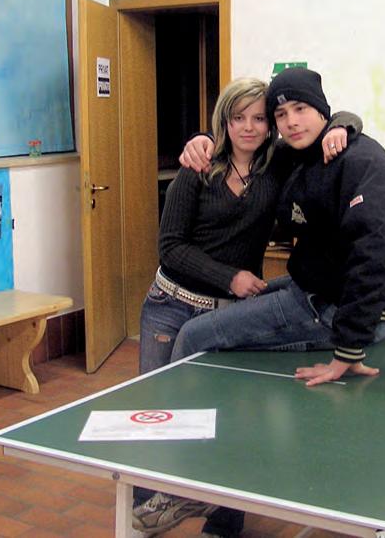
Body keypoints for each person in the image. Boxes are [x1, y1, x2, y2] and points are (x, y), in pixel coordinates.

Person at [132, 76, 361, 537]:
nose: (250, 127)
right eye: (239, 118)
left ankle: (223, 522)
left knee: (231, 418)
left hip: (228, 315)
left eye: (260, 118)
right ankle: (146, 508)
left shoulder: (279, 166)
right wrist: (230, 277)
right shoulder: (197, 169)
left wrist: (344, 126)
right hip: (170, 306)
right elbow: (170, 247)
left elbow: (331, 121)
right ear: (225, 121)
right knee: (161, 415)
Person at [172, 67, 385, 386]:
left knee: (193, 335)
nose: (292, 122)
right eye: (281, 114)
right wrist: (203, 139)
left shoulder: (365, 164)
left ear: (321, 110)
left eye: (300, 109)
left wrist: (348, 350)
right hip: (314, 288)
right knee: (231, 318)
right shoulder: (298, 154)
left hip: (333, 312)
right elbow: (241, 140)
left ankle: (177, 413)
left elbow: (377, 259)